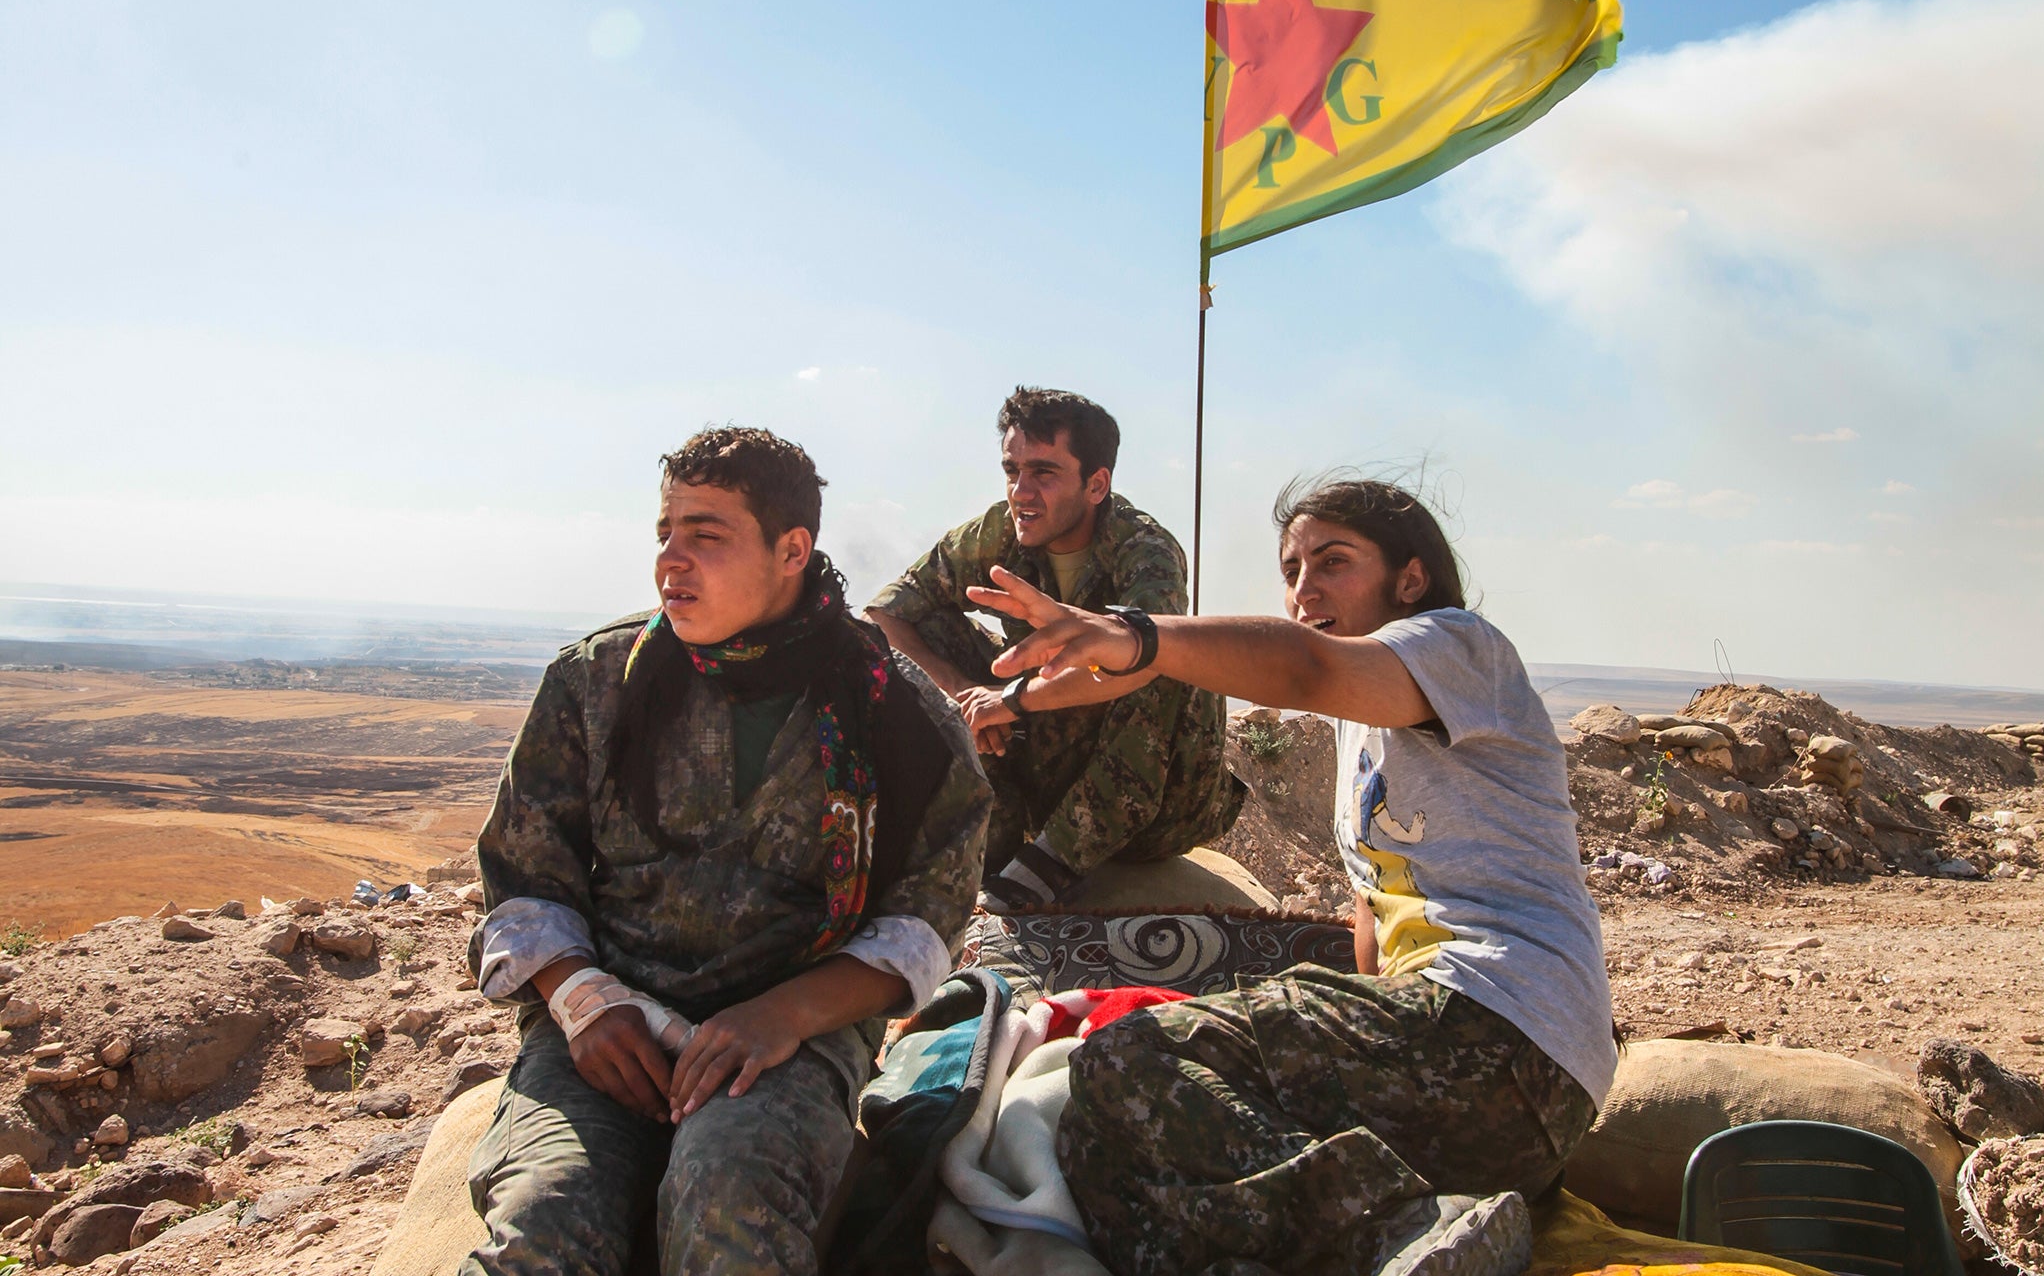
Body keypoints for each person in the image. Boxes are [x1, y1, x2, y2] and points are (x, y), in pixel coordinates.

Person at [966, 476, 1615, 1276]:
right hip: (1472, 1097)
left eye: (1332, 561)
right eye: (1293, 569)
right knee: (1112, 1161)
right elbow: (1373, 924)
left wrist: (1129, 629)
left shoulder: (1459, 648)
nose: (1305, 588)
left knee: (1130, 1060)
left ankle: (1394, 1230)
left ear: (1409, 579)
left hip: (1500, 1028)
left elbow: (1299, 665)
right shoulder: (1364, 727)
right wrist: (1017, 703)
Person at [463, 427, 991, 1276]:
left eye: (705, 536)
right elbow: (524, 883)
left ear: (792, 550)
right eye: (665, 534)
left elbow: (926, 922)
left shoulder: (897, 715)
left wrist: (784, 1016)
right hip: (606, 1031)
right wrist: (584, 1001)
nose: (672, 561)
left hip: (789, 1038)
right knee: (546, 1225)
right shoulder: (594, 683)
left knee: (729, 1201)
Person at [866, 386, 1241, 911]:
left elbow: (1138, 661)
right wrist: (966, 693)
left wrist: (1013, 700)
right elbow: (885, 615)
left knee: (1158, 651)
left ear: (1096, 484)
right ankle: (993, 836)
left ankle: (1054, 861)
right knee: (916, 641)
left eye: (1043, 473)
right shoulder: (999, 533)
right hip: (1049, 777)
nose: (1021, 491)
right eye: (1011, 471)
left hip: (1158, 809)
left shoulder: (1144, 550)